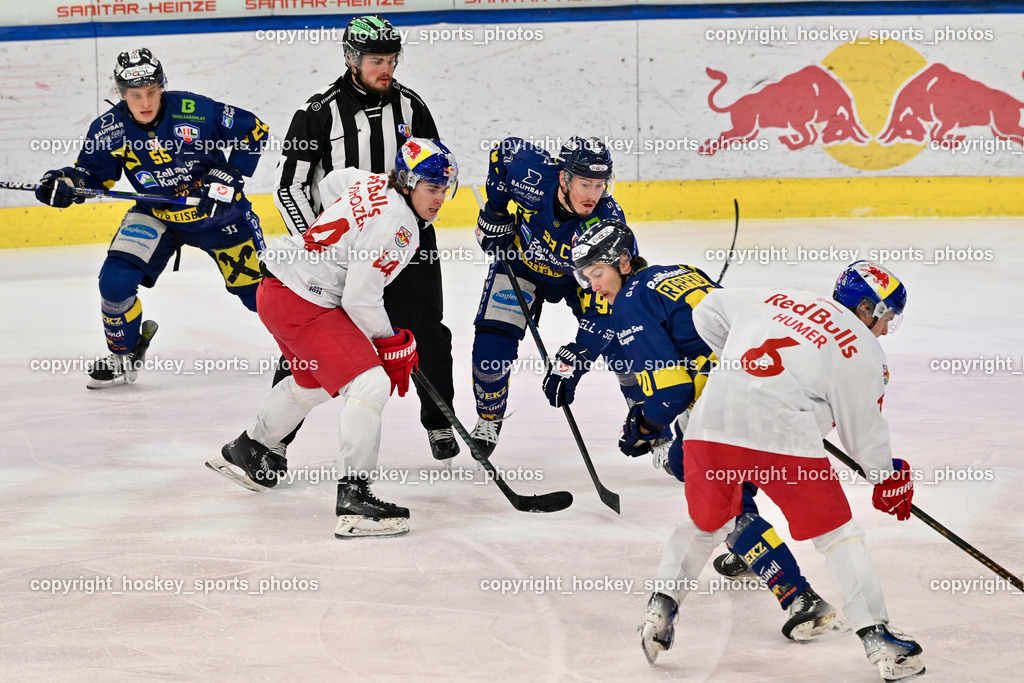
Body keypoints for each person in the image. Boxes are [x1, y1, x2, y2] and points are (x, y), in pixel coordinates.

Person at [626, 258, 921, 681]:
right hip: (784, 442)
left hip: (710, 428)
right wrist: (886, 476)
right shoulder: (864, 350)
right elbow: (863, 433)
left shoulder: (777, 298)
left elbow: (706, 311)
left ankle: (659, 610)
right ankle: (880, 641)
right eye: (886, 316)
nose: (887, 328)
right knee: (838, 537)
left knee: (705, 522)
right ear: (865, 310)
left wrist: (740, 368)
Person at [570, 219, 842, 646]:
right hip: (771, 383)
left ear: (623, 262)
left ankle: (797, 594)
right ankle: (753, 548)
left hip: (727, 407)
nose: (593, 287)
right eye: (586, 278)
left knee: (707, 480)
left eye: (597, 274)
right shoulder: (680, 271)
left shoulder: (630, 302)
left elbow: (673, 390)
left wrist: (641, 426)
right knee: (707, 470)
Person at [207, 138, 458, 539]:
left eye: (446, 189)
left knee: (313, 380)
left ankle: (249, 448)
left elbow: (332, 184)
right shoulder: (401, 226)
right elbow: (361, 297)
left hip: (277, 289)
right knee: (369, 382)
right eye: (432, 188)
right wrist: (389, 342)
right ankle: (354, 498)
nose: (440, 198)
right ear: (408, 182)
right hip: (305, 300)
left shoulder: (372, 181)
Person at [273, 14, 459, 464]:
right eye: (377, 60)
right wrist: (321, 242)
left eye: (392, 59)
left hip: (406, 244)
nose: (387, 69)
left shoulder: (412, 107)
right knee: (303, 352)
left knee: (429, 335)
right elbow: (291, 187)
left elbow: (432, 172)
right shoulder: (318, 113)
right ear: (352, 59)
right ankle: (274, 443)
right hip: (338, 255)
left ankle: (438, 421)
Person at [34, 48, 269, 388]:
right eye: (134, 95)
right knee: (114, 282)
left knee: (261, 296)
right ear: (121, 94)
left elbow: (254, 130)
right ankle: (124, 354)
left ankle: (308, 348)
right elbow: (90, 176)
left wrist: (231, 174)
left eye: (151, 92)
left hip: (219, 216)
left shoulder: (196, 110)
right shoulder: (109, 129)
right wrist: (67, 184)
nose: (144, 102)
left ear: (162, 87)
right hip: (157, 214)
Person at [473, 135, 647, 457]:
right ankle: (489, 417)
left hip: (581, 282)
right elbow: (502, 152)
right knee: (489, 352)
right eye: (585, 183)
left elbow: (611, 305)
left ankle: (650, 423)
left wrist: (579, 355)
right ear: (564, 177)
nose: (593, 194)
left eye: (600, 185)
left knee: (624, 346)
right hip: (522, 265)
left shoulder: (606, 224)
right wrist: (496, 214)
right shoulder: (532, 176)